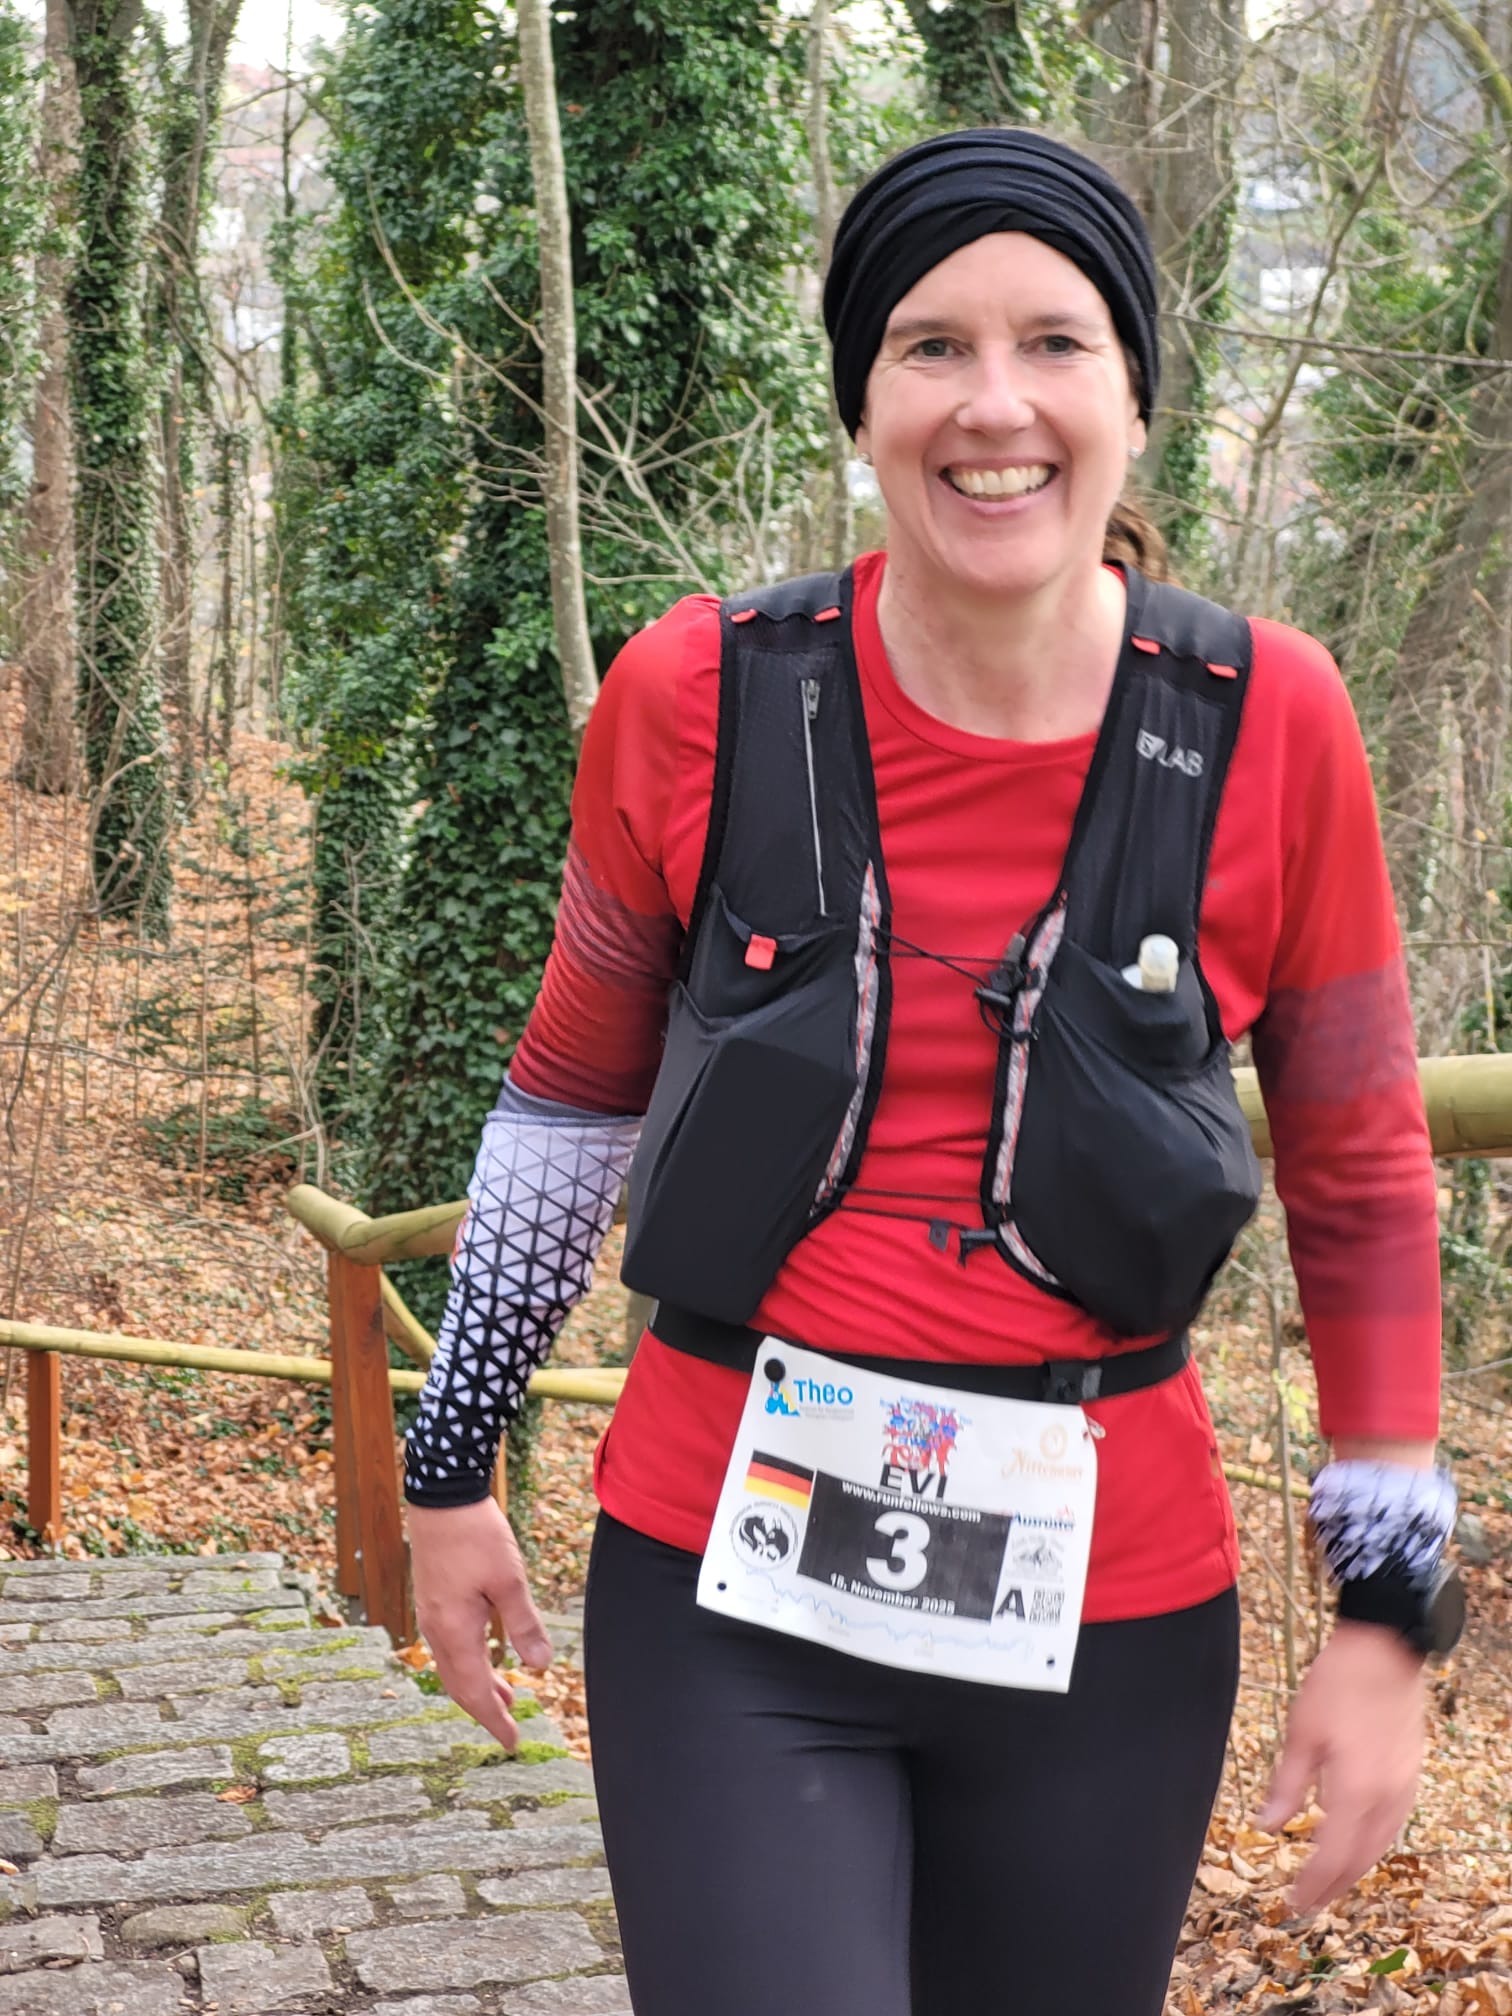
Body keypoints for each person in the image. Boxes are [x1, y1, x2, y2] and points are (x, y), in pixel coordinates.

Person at [404, 129, 1460, 2016]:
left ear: (1134, 396)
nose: (995, 404)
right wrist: (450, 1454)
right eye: (930, 346)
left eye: (1055, 342)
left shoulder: (1268, 722)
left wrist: (1387, 1607)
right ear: (862, 403)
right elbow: (570, 1093)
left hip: (1110, 1613)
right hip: (728, 1584)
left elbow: (1364, 1164)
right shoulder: (697, 693)